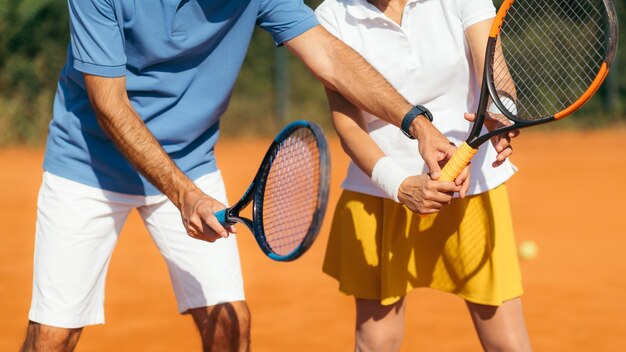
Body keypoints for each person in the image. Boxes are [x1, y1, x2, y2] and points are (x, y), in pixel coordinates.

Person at [19, 1, 469, 351]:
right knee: (54, 337)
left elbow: (330, 57)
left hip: (191, 160)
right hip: (88, 166)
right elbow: (109, 104)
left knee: (230, 325)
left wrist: (417, 123)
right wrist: (184, 195)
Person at [315, 0, 532, 350]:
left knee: (507, 342)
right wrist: (398, 184)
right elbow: (349, 127)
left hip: (471, 188)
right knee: (376, 340)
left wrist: (500, 110)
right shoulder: (331, 15)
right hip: (380, 191)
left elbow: (495, 72)